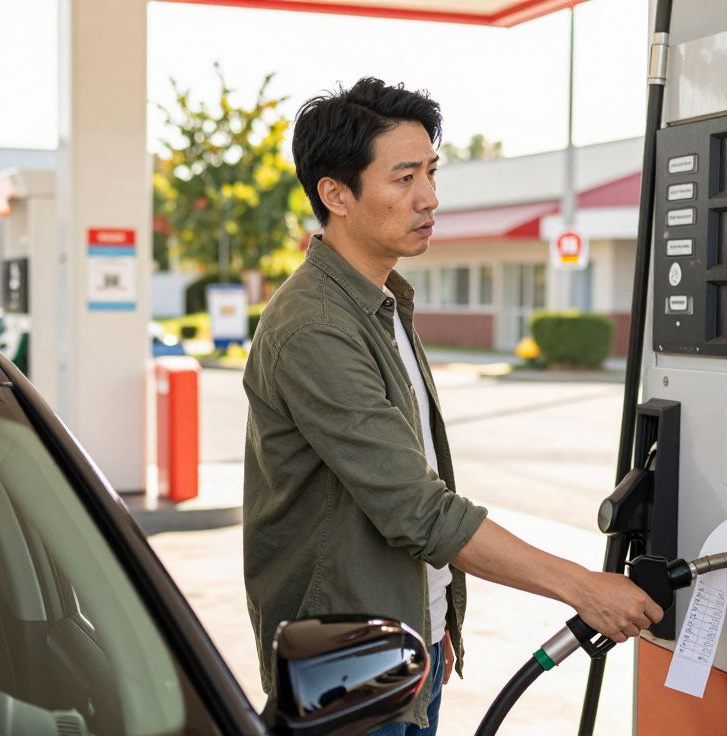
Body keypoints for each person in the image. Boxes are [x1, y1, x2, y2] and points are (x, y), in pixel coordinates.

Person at [242, 77, 662, 735]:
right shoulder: (316, 326)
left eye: (431, 173)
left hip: (412, 646)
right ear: (336, 194)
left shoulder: (382, 303)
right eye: (404, 177)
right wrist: (582, 586)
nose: (429, 198)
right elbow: (417, 510)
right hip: (346, 667)